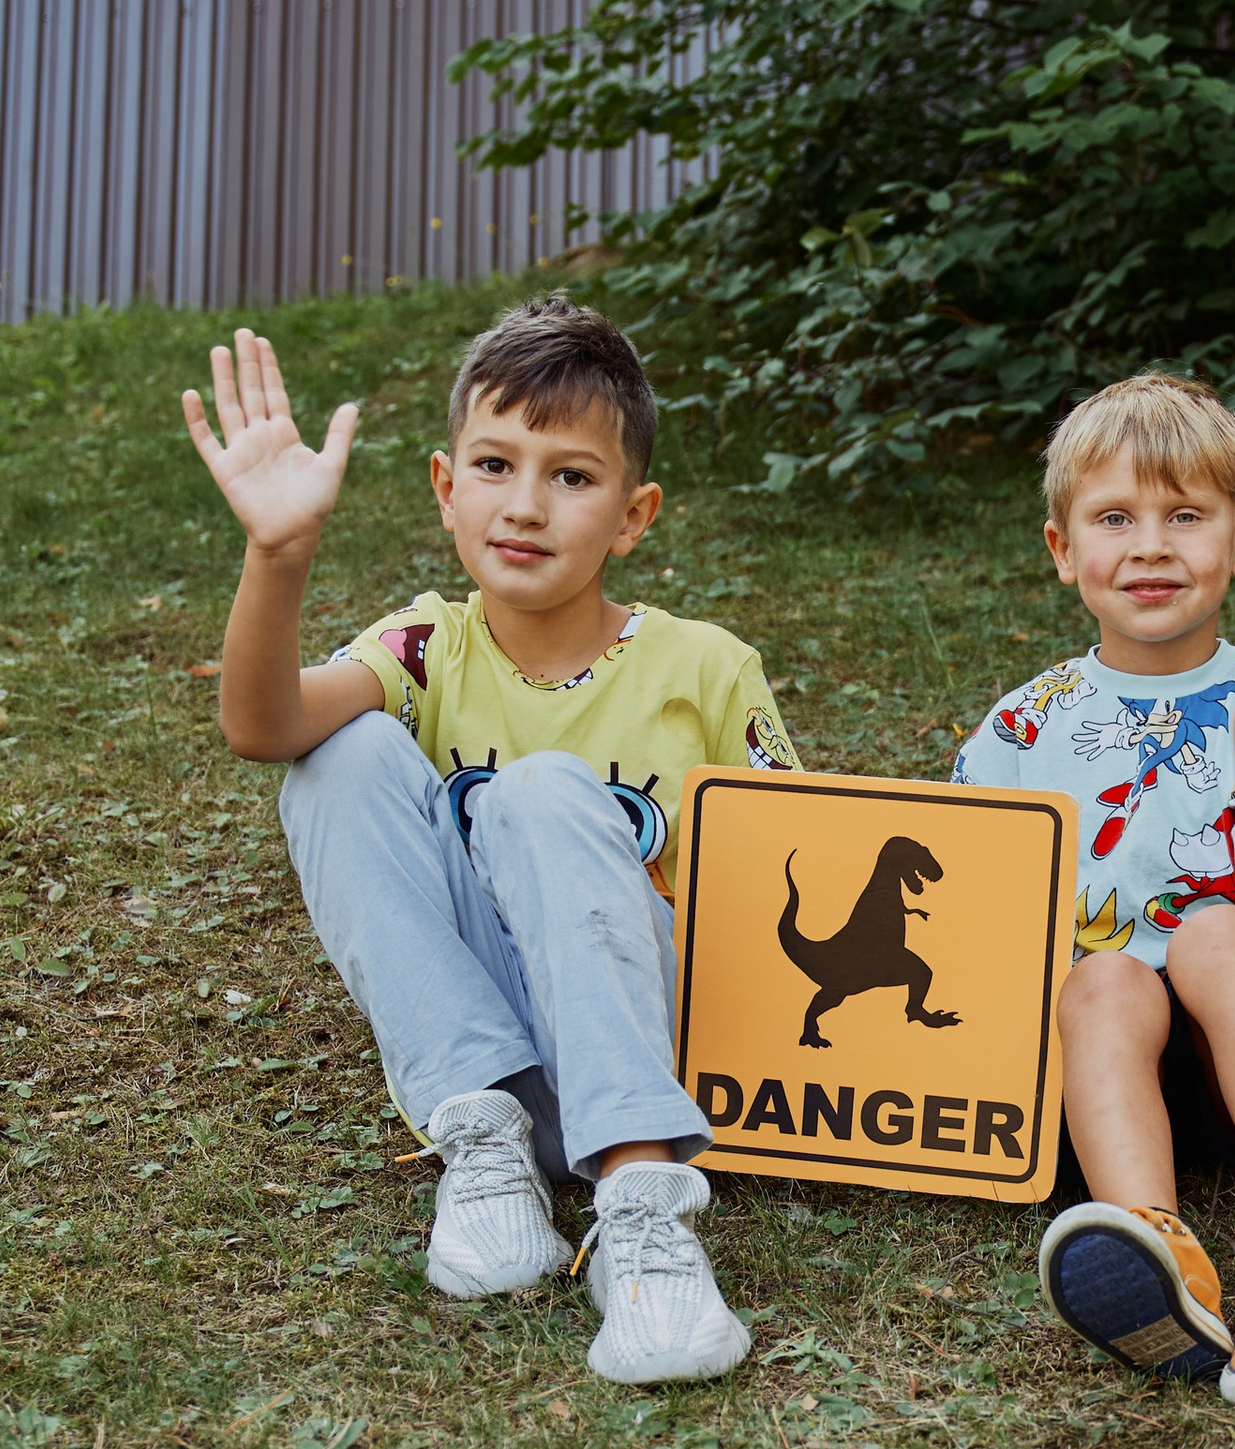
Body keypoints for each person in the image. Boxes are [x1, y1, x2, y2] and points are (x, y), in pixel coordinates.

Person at [184, 299, 796, 1386]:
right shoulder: (424, 647)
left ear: (633, 514)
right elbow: (261, 726)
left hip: (655, 1046)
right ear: (444, 485)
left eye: (572, 477)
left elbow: (803, 862)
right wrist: (279, 553)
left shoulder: (703, 665)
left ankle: (642, 1218)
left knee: (543, 795)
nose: (526, 505)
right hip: (495, 1053)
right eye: (495, 465)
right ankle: (486, 1148)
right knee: (339, 754)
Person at [952, 372, 1235, 1412]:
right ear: (1064, 551)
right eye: (1114, 518)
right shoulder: (1025, 723)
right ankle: (1153, 1253)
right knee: (1105, 977)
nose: (1150, 546)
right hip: (1091, 1083)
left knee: (1212, 930)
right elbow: (976, 915)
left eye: (1184, 516)